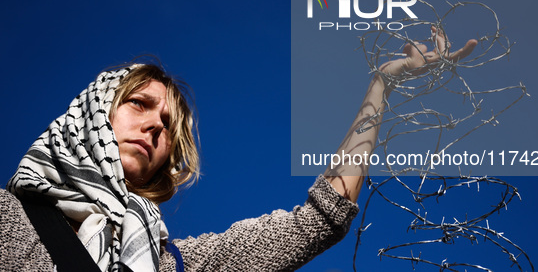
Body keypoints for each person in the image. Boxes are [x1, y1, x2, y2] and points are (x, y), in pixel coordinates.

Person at [0, 27, 476, 271]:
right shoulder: (9, 219)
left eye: (166, 126)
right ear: (92, 112)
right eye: (139, 105)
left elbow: (318, 221)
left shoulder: (178, 263)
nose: (152, 127)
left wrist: (381, 85)